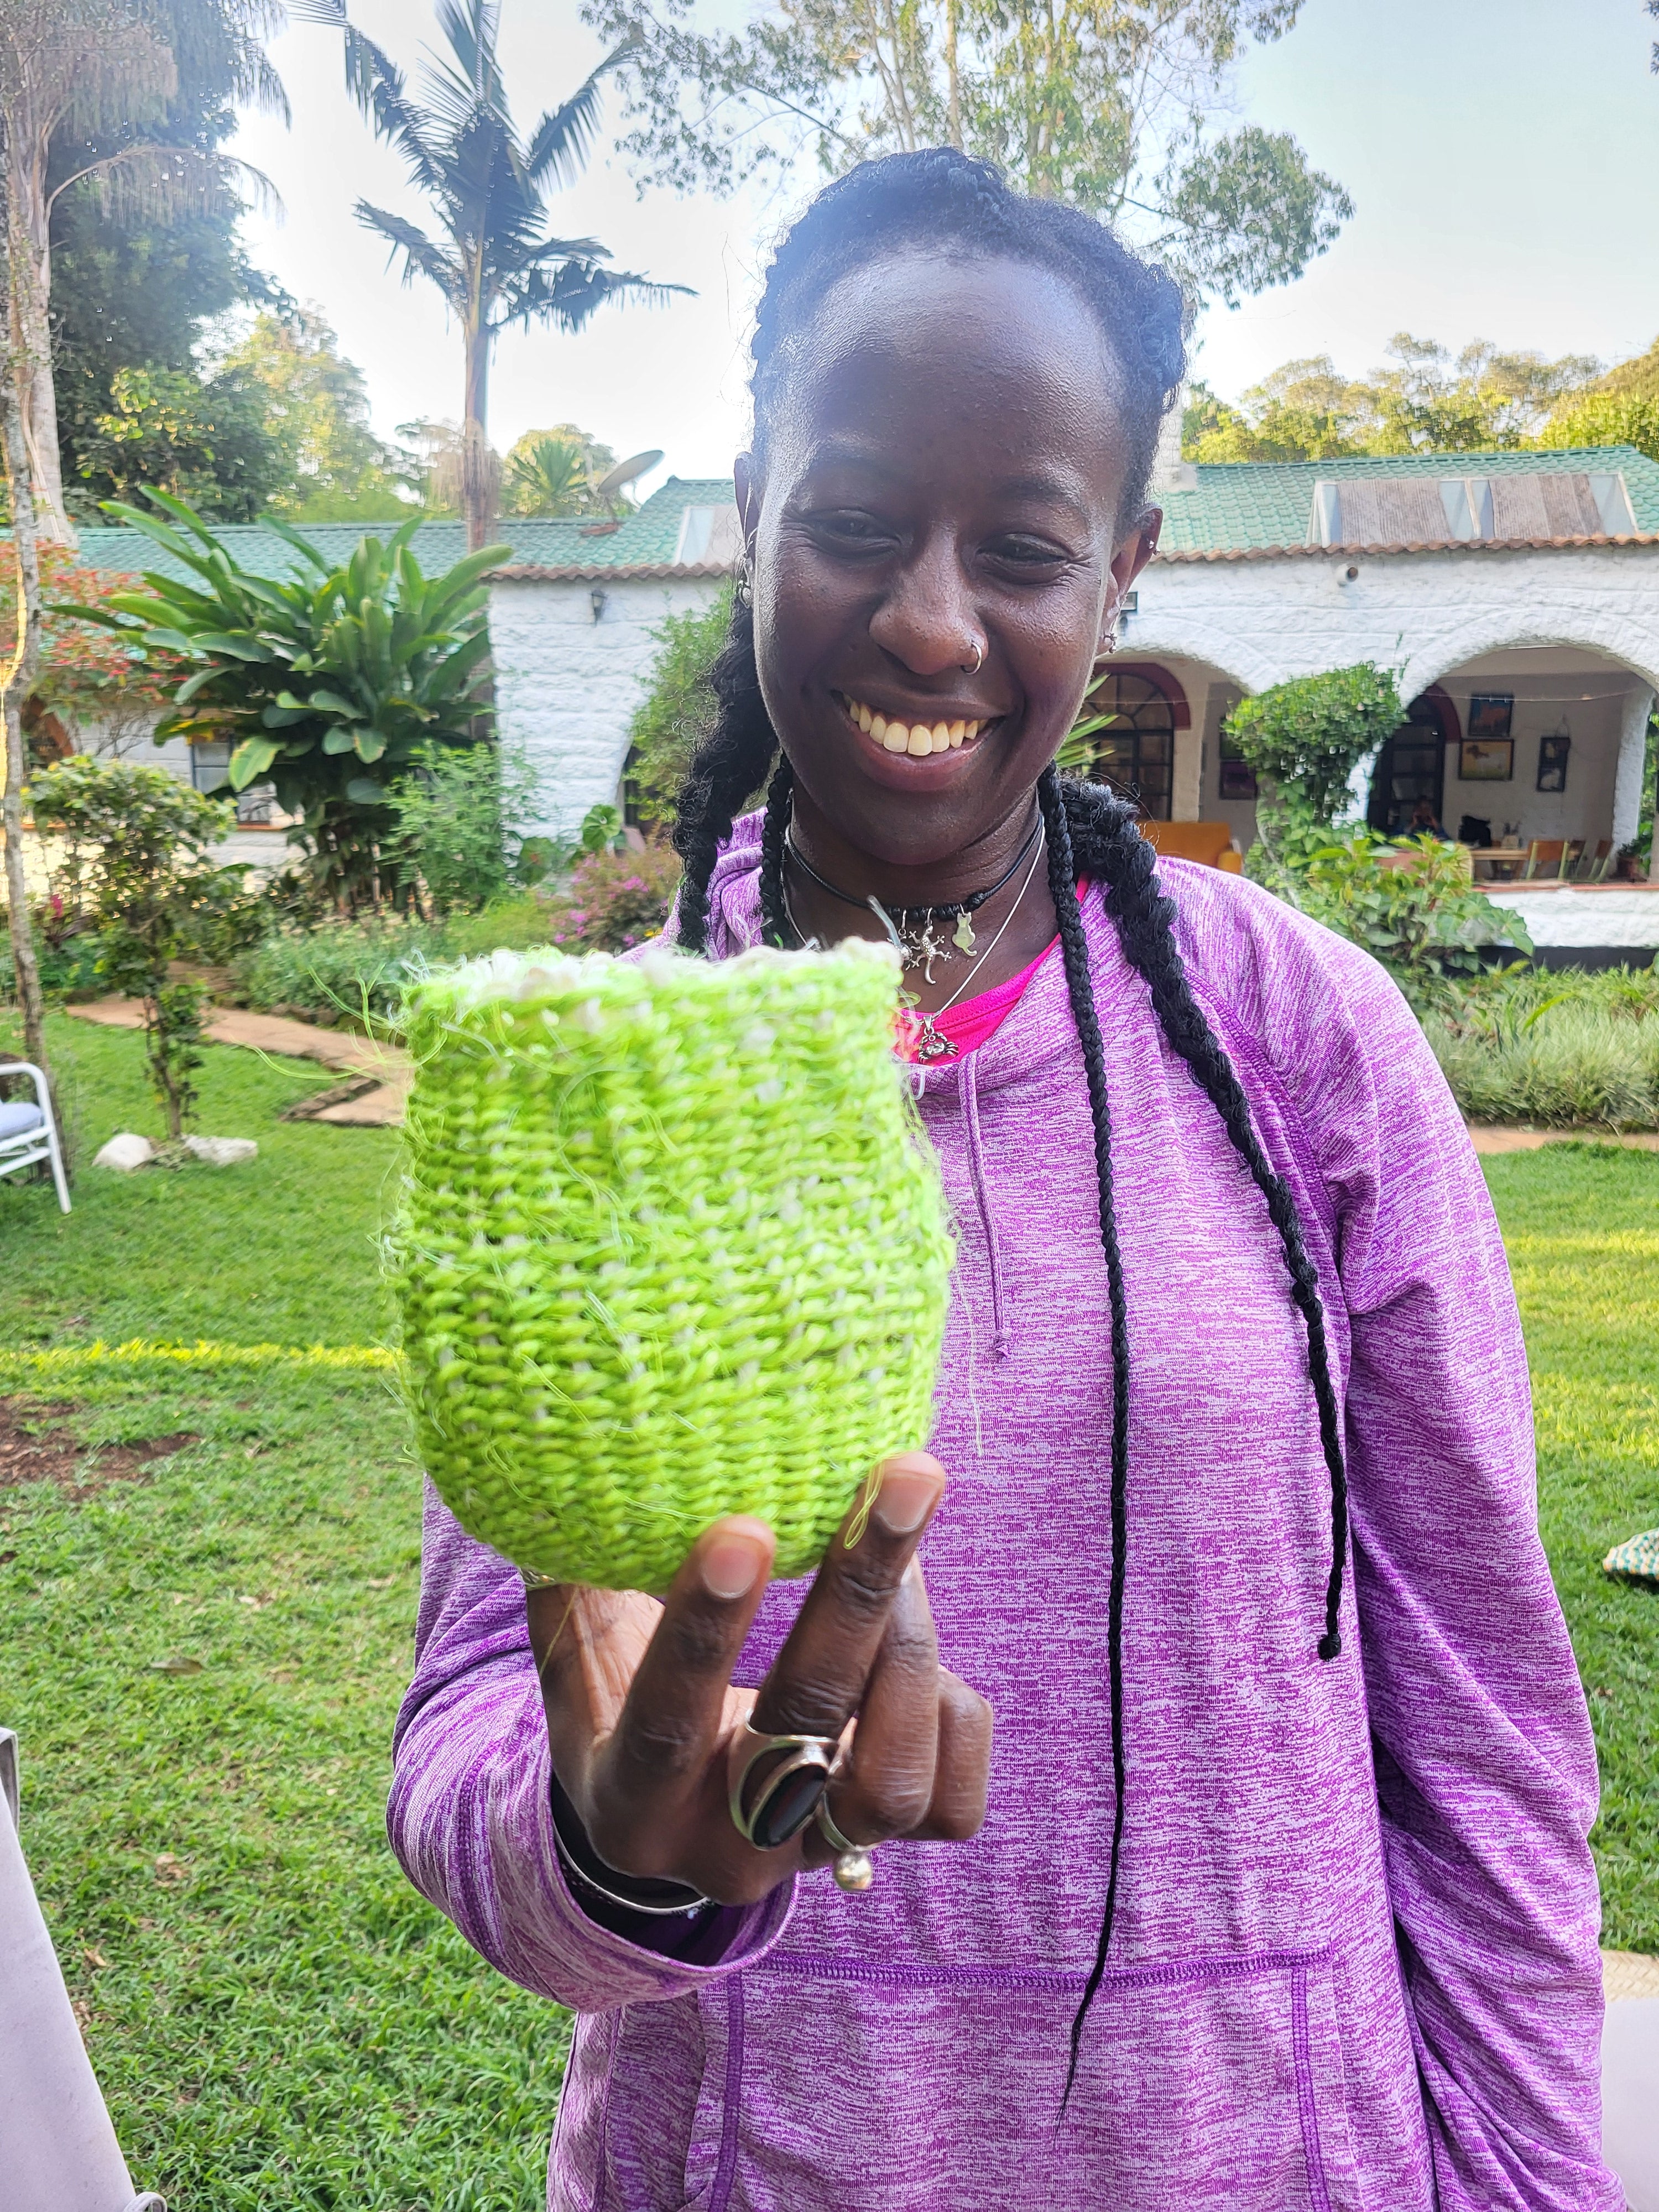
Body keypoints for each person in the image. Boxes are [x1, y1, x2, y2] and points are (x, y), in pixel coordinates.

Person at [389, 151, 1615, 2211]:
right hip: (756, 2163)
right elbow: (470, 1735)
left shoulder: (1304, 1050)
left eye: (1023, 547)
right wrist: (615, 1865)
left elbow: (1486, 1718)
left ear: (1121, 576)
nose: (933, 618)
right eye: (856, 524)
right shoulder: (590, 1079)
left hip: (1276, 2159)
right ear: (756, 525)